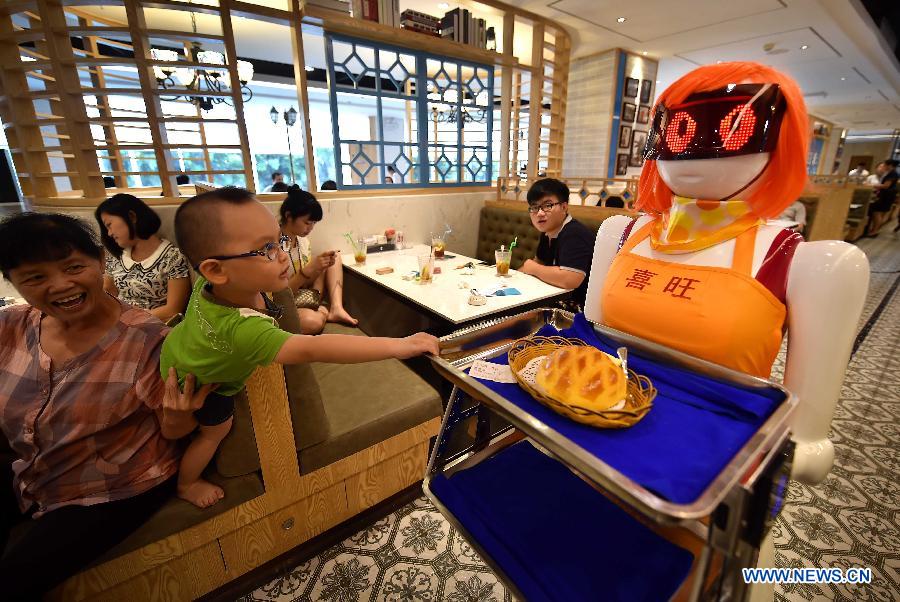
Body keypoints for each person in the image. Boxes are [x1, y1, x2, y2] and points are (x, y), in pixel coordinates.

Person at [161, 187, 438, 508]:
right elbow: (313, 349)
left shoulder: (207, 285)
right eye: (265, 249)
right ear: (216, 270)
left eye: (278, 241)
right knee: (214, 432)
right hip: (193, 385)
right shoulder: (245, 330)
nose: (281, 255)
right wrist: (400, 345)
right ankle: (187, 483)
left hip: (175, 351)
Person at [0, 213, 212, 597]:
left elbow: (178, 429)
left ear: (99, 261)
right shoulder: (12, 324)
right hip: (29, 468)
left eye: (73, 267)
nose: (60, 285)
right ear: (14, 282)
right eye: (35, 277)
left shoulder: (148, 340)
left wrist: (182, 418)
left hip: (114, 487)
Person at [96, 193, 191, 323]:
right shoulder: (118, 257)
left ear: (132, 216)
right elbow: (107, 293)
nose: (109, 233)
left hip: (155, 326)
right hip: (119, 323)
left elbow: (173, 310)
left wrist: (130, 319)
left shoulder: (172, 257)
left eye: (109, 225)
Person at [279, 186, 358, 333]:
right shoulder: (273, 246)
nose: (310, 228)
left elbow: (307, 283)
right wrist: (308, 270)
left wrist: (318, 268)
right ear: (289, 216)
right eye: (307, 223)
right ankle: (323, 312)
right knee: (312, 322)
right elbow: (279, 295)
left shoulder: (302, 241)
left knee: (334, 256)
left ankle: (336, 307)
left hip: (303, 295)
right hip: (282, 302)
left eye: (314, 223)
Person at [518, 178, 596, 310]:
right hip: (552, 300)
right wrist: (510, 278)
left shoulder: (574, 233)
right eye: (535, 207)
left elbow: (570, 278)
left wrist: (531, 267)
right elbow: (539, 262)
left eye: (548, 206)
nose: (540, 213)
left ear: (564, 207)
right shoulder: (548, 231)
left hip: (580, 311)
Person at [866, 159, 899, 236]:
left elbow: (886, 186)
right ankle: (875, 230)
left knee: (877, 212)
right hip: (887, 196)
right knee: (878, 213)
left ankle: (874, 231)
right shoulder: (892, 173)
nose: (884, 167)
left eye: (885, 165)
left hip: (886, 196)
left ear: (890, 165)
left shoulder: (892, 174)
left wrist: (871, 185)